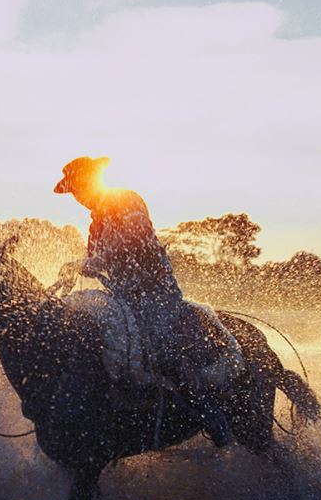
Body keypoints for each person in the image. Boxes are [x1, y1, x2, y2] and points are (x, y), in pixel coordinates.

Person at [51, 155, 235, 446]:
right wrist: (79, 268)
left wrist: (91, 262)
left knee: (161, 345)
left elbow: (134, 240)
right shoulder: (95, 224)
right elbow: (97, 262)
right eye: (73, 192)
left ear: (93, 180)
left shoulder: (126, 200)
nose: (78, 196)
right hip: (122, 296)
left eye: (80, 187)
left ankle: (209, 411)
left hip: (155, 293)